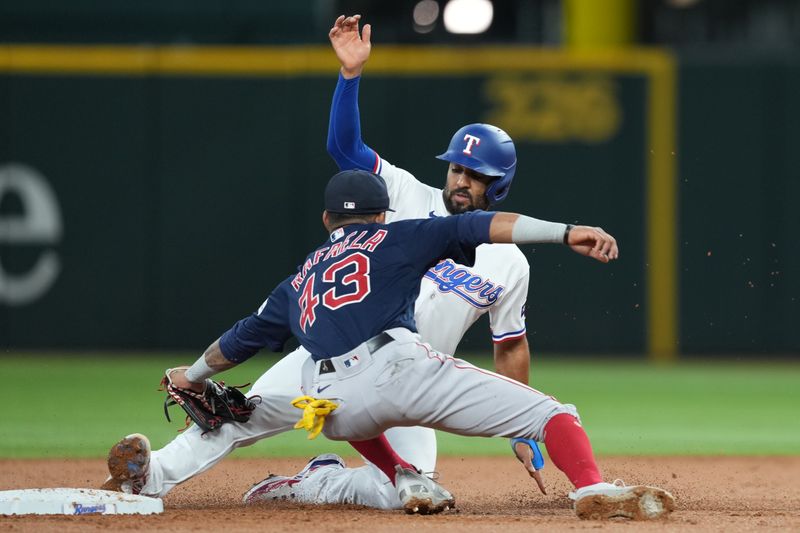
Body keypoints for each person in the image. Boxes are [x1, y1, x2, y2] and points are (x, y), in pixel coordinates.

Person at [105, 168, 672, 520]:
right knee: (553, 414)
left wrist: (192, 376)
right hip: (401, 372)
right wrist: (565, 232)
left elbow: (240, 340)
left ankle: (151, 476)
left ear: (327, 219)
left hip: (327, 403)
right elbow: (482, 226)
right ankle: (590, 489)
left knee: (241, 411)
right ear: (383, 213)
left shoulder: (299, 277)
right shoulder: (402, 234)